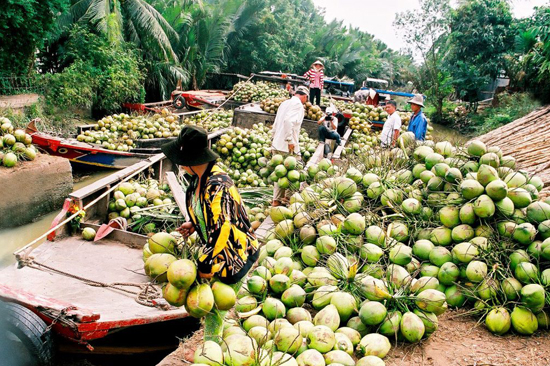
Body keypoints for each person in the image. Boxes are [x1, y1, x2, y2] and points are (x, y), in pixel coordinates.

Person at [161, 125, 259, 341]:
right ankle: (213, 341)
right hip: (217, 252)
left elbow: (223, 228)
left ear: (189, 158)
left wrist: (205, 264)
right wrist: (194, 224)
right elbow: (209, 213)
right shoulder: (198, 178)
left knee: (214, 308)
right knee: (213, 304)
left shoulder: (218, 185)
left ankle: (210, 350)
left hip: (235, 253)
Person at [271, 87, 309, 206]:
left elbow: (276, 122)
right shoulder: (298, 104)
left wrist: (273, 138)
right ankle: (288, 199)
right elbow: (288, 121)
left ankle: (276, 200)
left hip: (277, 144)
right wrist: (290, 140)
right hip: (287, 146)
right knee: (295, 172)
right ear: (304, 96)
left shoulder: (284, 103)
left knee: (280, 174)